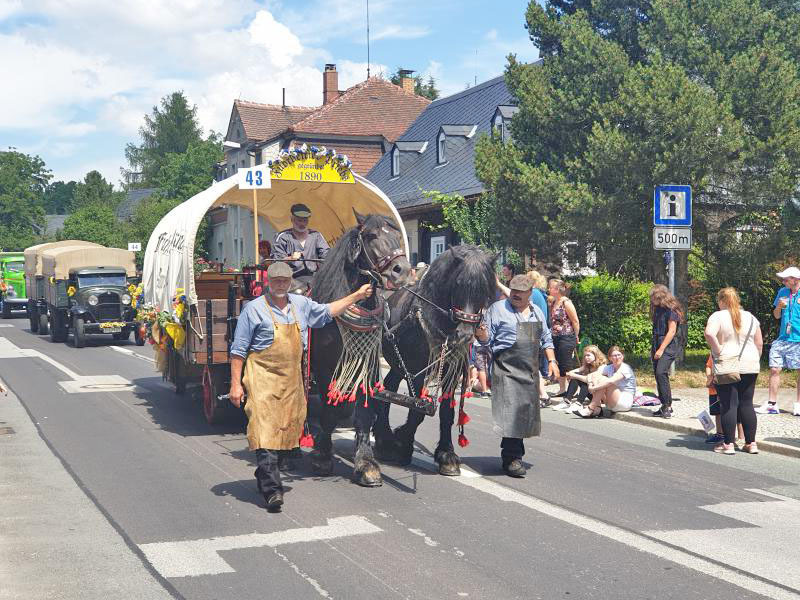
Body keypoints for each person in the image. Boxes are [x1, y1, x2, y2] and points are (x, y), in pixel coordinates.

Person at [228, 261, 373, 511]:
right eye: (276, 281)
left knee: (287, 430)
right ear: (268, 283)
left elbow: (329, 311)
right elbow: (238, 351)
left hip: (292, 378)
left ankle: (265, 473)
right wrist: (235, 385)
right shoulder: (253, 310)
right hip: (262, 377)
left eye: (285, 280)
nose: (281, 284)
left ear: (290, 282)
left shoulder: (302, 305)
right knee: (265, 430)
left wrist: (356, 296)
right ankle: (273, 490)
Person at [486, 274, 558, 478]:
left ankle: (512, 453)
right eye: (513, 290)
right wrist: (482, 335)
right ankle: (511, 457)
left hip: (528, 369)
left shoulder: (536, 312)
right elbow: (486, 340)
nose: (515, 294)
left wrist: (552, 361)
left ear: (530, 293)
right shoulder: (498, 309)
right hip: (506, 368)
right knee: (512, 412)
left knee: (523, 413)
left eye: (521, 291)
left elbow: (545, 338)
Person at [704, 287, 763, 455]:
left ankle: (728, 444)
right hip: (750, 364)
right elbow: (759, 343)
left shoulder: (718, 316)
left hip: (727, 364)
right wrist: (755, 359)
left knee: (728, 404)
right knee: (747, 403)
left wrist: (718, 350)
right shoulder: (751, 317)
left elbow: (709, 334)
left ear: (721, 301)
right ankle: (751, 443)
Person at [758, 266, 800, 416]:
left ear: (795, 280)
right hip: (783, 338)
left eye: (786, 279)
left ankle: (798, 405)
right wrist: (780, 307)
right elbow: (776, 316)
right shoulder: (782, 292)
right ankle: (772, 404)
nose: (783, 281)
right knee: (775, 369)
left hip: (798, 339)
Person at [271, 203, 330, 282]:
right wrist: (290, 258)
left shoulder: (316, 236)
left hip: (314, 279)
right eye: (299, 220)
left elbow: (327, 255)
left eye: (305, 220)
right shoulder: (283, 237)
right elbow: (276, 262)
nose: (302, 224)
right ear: (292, 219)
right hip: (290, 280)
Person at [649, 284, 683, 418]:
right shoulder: (658, 309)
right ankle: (664, 404)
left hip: (667, 344)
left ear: (660, 297)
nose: (652, 300)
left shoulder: (672, 310)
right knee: (658, 375)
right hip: (656, 341)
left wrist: (661, 349)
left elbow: (672, 331)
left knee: (661, 371)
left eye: (653, 297)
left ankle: (668, 405)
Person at [573, 346, 637, 417]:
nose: (617, 357)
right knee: (596, 377)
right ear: (610, 358)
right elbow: (592, 376)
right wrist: (590, 384)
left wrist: (593, 388)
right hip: (610, 402)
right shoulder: (608, 367)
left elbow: (610, 382)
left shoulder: (625, 368)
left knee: (604, 380)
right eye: (614, 355)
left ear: (623, 356)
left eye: (619, 355)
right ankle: (597, 408)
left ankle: (591, 408)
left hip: (624, 402)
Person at [548, 279, 580, 396]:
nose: (548, 289)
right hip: (555, 336)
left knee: (567, 364)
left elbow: (575, 321)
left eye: (550, 287)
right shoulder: (553, 302)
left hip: (567, 336)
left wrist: (575, 336)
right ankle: (562, 389)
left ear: (557, 290)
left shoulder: (566, 302)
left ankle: (573, 390)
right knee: (560, 363)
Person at [551, 345, 607, 412]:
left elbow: (590, 379)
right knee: (577, 376)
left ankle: (579, 404)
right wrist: (569, 374)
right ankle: (567, 401)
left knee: (586, 380)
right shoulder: (588, 365)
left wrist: (574, 375)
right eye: (585, 356)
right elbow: (577, 370)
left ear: (596, 355)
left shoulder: (602, 367)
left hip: (601, 397)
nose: (586, 358)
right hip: (592, 392)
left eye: (588, 355)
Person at [704, 354, 744, 445]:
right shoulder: (714, 353)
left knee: (736, 411)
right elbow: (708, 366)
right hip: (714, 388)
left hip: (728, 386)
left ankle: (741, 436)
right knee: (717, 412)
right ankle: (720, 434)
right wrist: (709, 378)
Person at [470, 323, 492, 396]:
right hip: (487, 343)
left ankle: (485, 390)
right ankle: (486, 389)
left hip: (479, 344)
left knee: (481, 369)